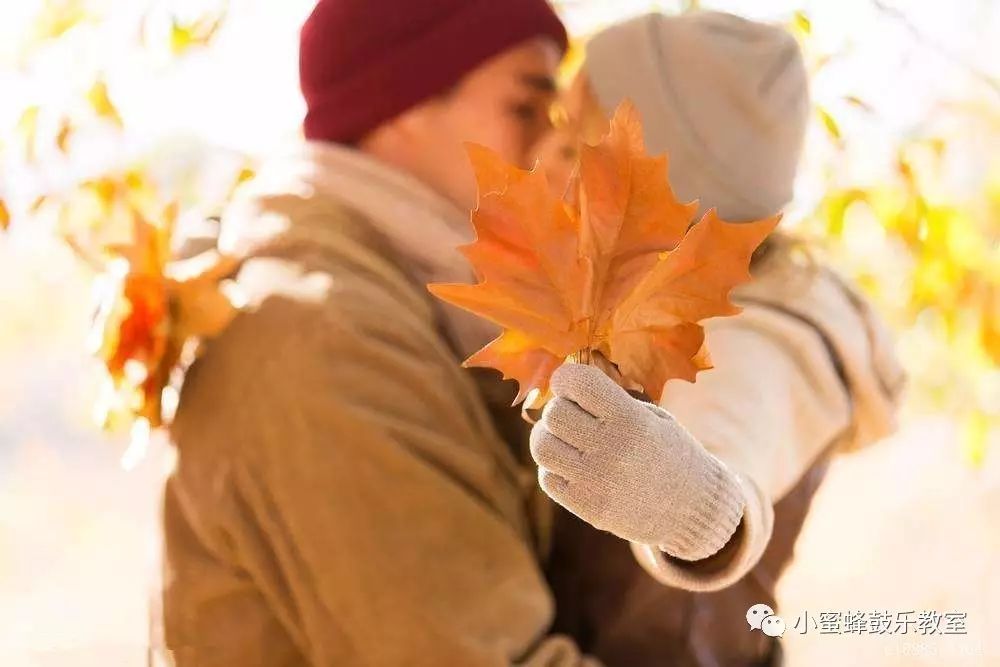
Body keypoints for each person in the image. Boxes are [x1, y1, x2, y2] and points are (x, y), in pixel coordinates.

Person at [153, 2, 770, 665]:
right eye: (525, 109)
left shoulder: (393, 291)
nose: (555, 147)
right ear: (403, 100)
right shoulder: (325, 339)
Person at [533, 11, 907, 666]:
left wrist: (694, 507)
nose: (545, 162)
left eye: (576, 147)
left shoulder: (762, 336)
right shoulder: (652, 305)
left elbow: (730, 461)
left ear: (670, 183)